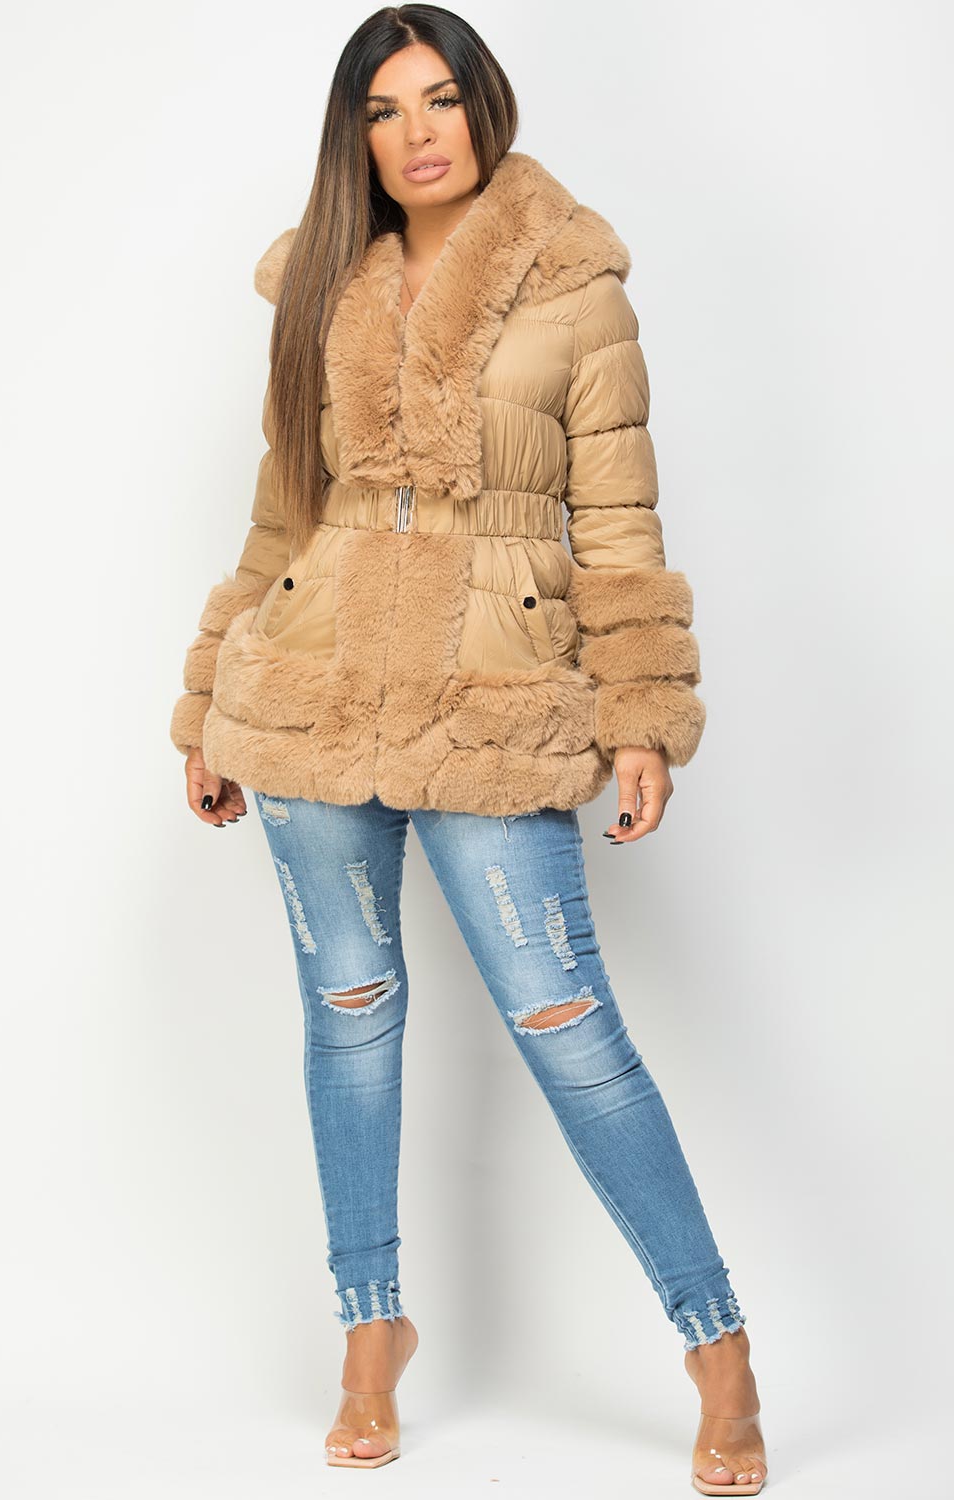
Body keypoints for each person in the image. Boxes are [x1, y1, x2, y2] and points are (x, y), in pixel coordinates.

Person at [169, 6, 768, 1490]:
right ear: (356, 138)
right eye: (383, 112)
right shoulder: (320, 279)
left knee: (568, 1025)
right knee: (349, 1016)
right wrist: (208, 701)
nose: (417, 133)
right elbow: (282, 510)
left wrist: (642, 715)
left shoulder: (574, 282)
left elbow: (616, 520)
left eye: (439, 99)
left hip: (490, 699)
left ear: (485, 105)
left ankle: (720, 1353)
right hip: (307, 696)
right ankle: (370, 1334)